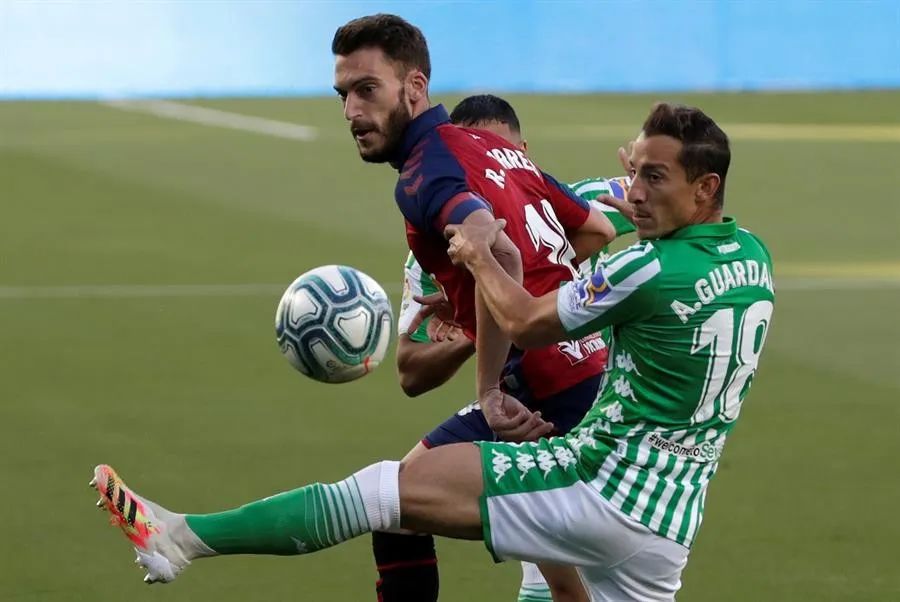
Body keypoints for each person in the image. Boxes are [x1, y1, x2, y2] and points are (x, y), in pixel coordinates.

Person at [331, 14, 618, 601]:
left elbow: (499, 250)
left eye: (366, 91)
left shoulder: (428, 172)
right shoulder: (499, 152)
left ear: (415, 87)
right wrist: (534, 304)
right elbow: (593, 226)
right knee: (396, 508)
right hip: (579, 373)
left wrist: (491, 379)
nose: (352, 112)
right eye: (344, 95)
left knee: (561, 586)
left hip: (544, 394)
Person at [394, 93, 636, 602]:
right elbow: (411, 373)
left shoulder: (541, 196)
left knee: (565, 585)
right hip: (533, 391)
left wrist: (505, 302)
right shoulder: (440, 244)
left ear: (522, 151)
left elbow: (630, 209)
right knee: (395, 504)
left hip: (559, 391)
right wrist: (473, 322)